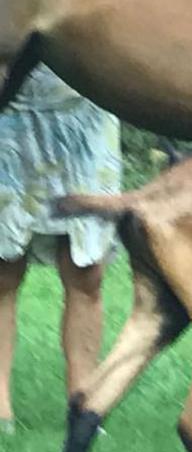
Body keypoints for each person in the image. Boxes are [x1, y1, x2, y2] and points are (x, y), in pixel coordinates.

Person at [0, 65, 122, 432]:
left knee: (87, 273)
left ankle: (83, 404)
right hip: (9, 115)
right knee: (3, 270)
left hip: (85, 115)